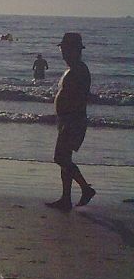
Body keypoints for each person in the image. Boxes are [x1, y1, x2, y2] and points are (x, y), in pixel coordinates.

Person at [46, 32, 95, 211]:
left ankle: (85, 188)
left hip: (73, 120)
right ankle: (66, 199)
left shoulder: (79, 70)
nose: (63, 53)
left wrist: (69, 118)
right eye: (63, 49)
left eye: (66, 50)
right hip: (67, 119)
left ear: (75, 51)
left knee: (60, 158)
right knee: (65, 158)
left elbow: (80, 97)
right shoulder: (72, 69)